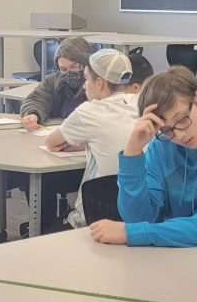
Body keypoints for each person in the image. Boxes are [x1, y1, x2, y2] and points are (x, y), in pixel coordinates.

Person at [90, 65, 197, 246]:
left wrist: (135, 233)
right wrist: (132, 153)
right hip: (172, 254)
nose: (180, 135)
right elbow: (138, 218)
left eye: (182, 120)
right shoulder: (162, 146)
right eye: (166, 130)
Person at [44, 48, 138, 228]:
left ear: (100, 83)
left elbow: (50, 142)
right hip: (138, 213)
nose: (84, 85)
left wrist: (82, 141)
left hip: (97, 217)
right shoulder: (140, 102)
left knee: (48, 230)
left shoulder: (89, 111)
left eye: (86, 78)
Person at [15, 36, 95, 232]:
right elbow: (36, 99)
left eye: (75, 67)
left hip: (86, 161)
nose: (70, 74)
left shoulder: (96, 84)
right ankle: (45, 226)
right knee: (28, 174)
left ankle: (50, 227)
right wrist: (32, 115)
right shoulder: (55, 81)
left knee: (44, 179)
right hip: (60, 152)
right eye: (64, 69)